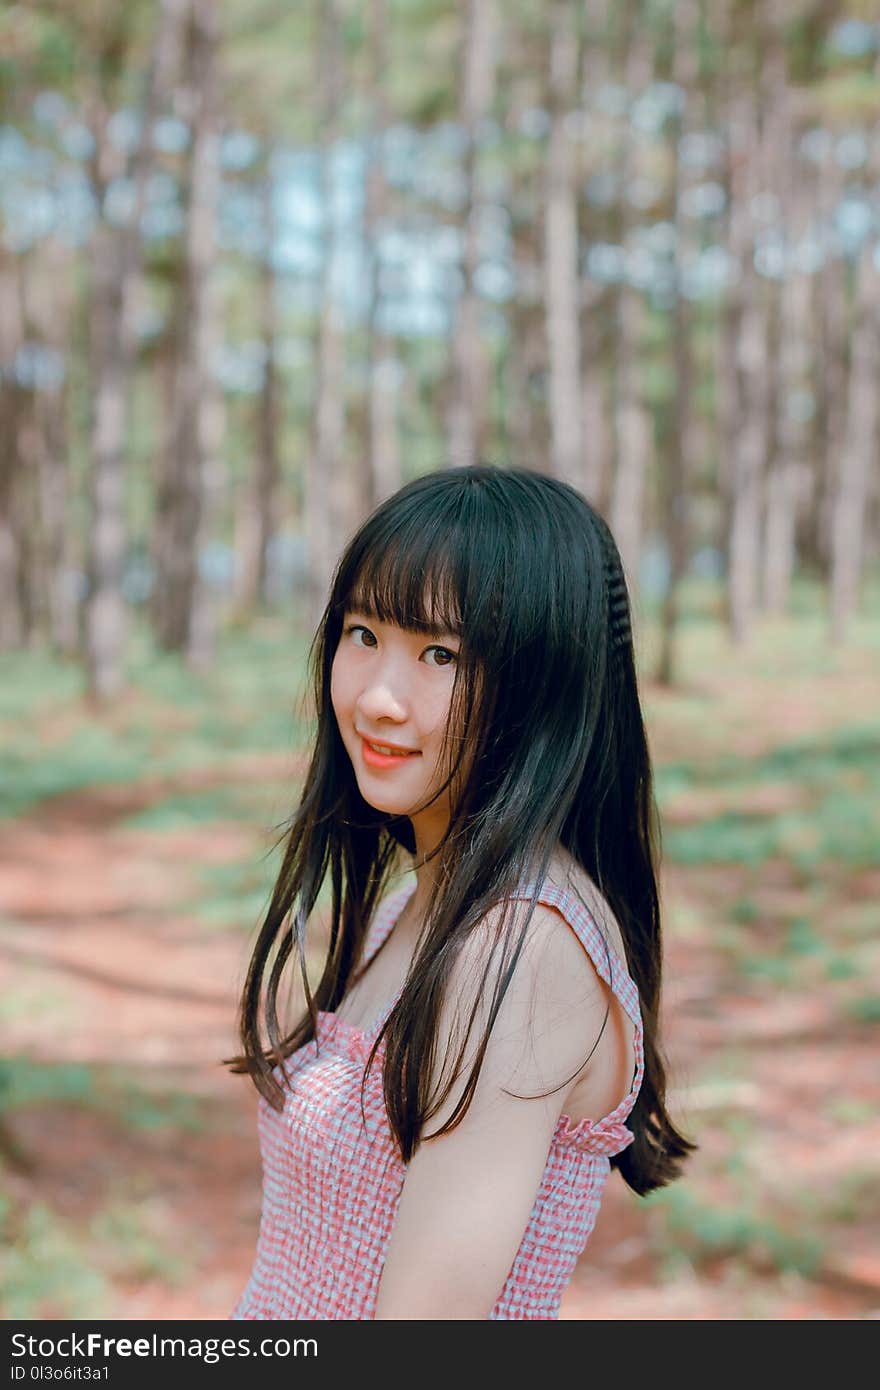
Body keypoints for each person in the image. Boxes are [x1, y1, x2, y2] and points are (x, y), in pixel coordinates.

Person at [226, 463, 695, 1320]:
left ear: (544, 684)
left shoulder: (518, 950)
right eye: (363, 632)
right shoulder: (427, 899)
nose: (376, 698)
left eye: (439, 654)